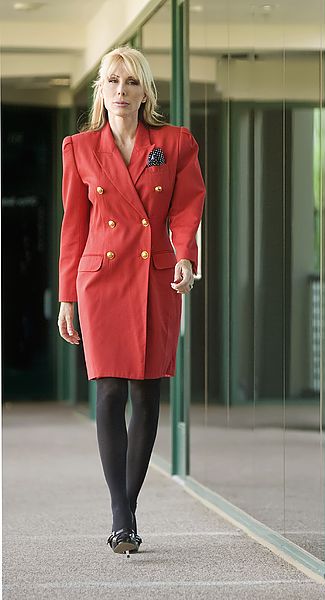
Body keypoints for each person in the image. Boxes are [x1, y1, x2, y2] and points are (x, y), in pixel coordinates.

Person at [56, 46, 206, 555]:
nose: (122, 91)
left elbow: (187, 207)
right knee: (109, 393)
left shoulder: (176, 142)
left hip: (154, 278)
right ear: (101, 89)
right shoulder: (78, 148)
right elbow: (73, 228)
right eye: (113, 81)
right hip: (100, 281)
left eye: (131, 82)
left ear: (146, 92)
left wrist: (186, 255)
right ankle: (122, 514)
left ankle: (128, 507)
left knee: (145, 394)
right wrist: (67, 296)